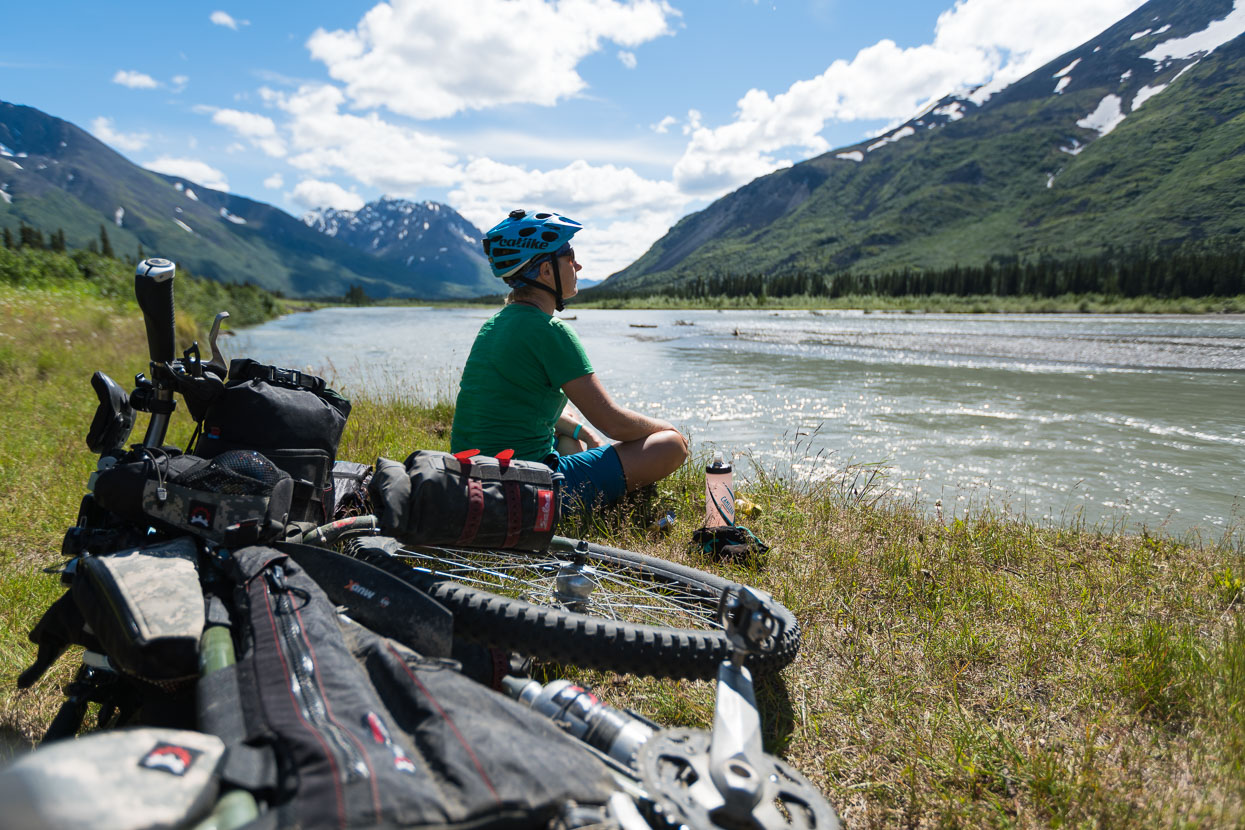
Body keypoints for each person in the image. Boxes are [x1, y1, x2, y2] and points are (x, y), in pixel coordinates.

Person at [450, 209, 688, 512]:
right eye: (568, 256)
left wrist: (586, 433)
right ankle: (594, 502)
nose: (577, 264)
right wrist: (669, 429)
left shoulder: (494, 325)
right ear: (546, 272)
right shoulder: (552, 332)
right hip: (525, 491)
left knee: (569, 422)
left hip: (472, 480)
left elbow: (516, 405)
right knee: (671, 446)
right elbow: (613, 422)